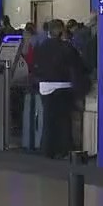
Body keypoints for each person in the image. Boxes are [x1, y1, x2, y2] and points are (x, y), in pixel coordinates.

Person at [31, 20, 86, 159]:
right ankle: (65, 149)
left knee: (48, 121)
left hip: (45, 87)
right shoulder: (66, 47)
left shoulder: (41, 46)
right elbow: (78, 65)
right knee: (64, 121)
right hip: (63, 87)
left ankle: (47, 150)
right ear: (61, 30)